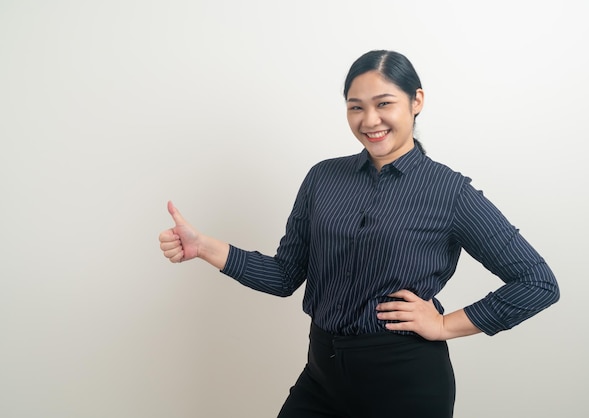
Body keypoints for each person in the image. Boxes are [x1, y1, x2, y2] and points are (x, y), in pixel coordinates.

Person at [158, 50, 559, 418]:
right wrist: (204, 247)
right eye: (356, 107)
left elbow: (537, 282)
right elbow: (284, 277)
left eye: (384, 104)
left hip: (404, 386)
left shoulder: (450, 192)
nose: (370, 120)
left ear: (416, 101)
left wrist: (444, 325)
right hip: (321, 376)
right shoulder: (323, 178)